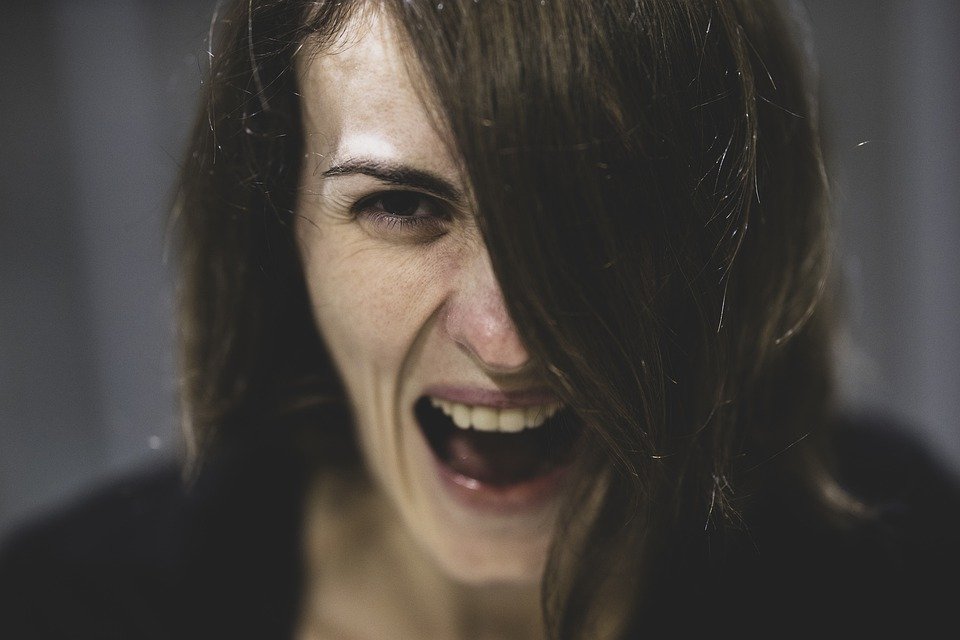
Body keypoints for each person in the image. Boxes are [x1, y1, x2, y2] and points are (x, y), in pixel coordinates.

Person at [2, 0, 958, 638]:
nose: (510, 339)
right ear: (279, 230)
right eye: (402, 207)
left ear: (731, 235)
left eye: (594, 209)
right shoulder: (65, 608)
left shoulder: (891, 561)